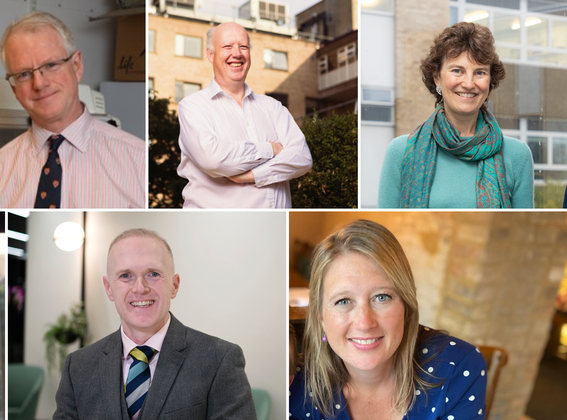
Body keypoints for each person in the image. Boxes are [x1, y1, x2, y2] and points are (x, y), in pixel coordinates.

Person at [289, 220, 487, 420]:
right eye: (343, 301)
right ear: (320, 316)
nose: (364, 323)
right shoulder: (293, 383)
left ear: (406, 303)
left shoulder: (456, 368)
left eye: (381, 297)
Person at [54, 229, 257, 419]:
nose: (140, 288)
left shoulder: (220, 360)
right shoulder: (77, 367)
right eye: (126, 275)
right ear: (109, 289)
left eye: (153, 274)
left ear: (174, 285)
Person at [0, 12, 145, 209]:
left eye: (51, 65)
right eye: (24, 74)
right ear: (13, 88)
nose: (39, 83)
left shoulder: (138, 163)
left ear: (77, 66)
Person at [378, 22, 533, 208]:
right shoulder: (400, 152)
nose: (468, 83)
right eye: (457, 70)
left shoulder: (517, 156)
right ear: (437, 77)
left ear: (490, 80)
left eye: (480, 72)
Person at [176, 22, 312, 208]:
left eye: (243, 46)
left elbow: (302, 158)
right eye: (227, 46)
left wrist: (251, 176)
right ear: (210, 54)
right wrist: (271, 149)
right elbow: (214, 159)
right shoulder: (193, 107)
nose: (237, 53)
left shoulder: (272, 107)